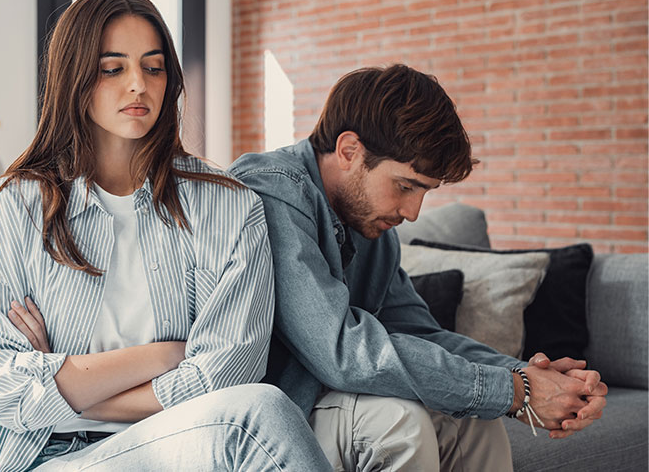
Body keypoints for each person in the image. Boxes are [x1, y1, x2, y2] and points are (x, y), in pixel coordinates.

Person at [0, 0, 331, 472]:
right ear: (74, 78)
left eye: (153, 67)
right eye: (113, 68)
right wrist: (166, 354)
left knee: (260, 411)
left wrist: (64, 378)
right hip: (39, 457)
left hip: (176, 441)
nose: (138, 85)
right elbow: (0, 387)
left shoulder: (229, 207)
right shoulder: (6, 212)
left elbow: (226, 376)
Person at [229, 64, 608, 471]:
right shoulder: (272, 190)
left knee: (477, 423)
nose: (412, 213)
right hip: (266, 423)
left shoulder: (373, 231)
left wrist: (531, 379)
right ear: (349, 150)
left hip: (327, 403)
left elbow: (422, 334)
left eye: (423, 192)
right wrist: (516, 392)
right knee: (399, 423)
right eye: (405, 186)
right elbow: (340, 350)